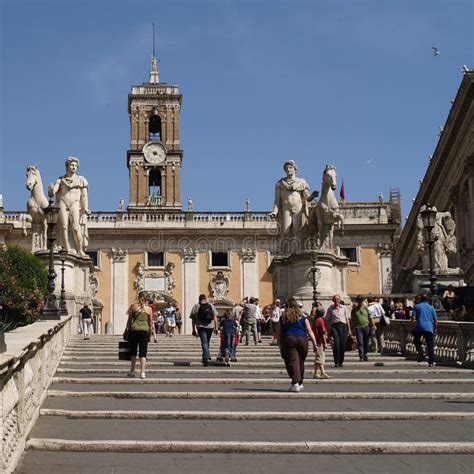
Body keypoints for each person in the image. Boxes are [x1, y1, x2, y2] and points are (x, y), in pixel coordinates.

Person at [48, 156, 89, 256]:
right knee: (64, 226)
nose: (74, 167)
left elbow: (84, 196)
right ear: (67, 166)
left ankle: (80, 250)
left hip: (75, 203)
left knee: (75, 227)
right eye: (72, 165)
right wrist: (51, 189)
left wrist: (84, 209)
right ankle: (66, 249)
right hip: (63, 202)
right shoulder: (61, 180)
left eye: (75, 165)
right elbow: (53, 192)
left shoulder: (81, 180)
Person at [277, 297, 318, 392]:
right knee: (300, 362)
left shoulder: (283, 318)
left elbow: (278, 333)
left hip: (289, 339)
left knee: (291, 362)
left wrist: (280, 343)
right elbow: (309, 331)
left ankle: (295, 383)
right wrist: (315, 343)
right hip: (302, 339)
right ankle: (300, 382)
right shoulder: (303, 317)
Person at [270, 160, 310, 235]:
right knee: (285, 232)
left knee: (297, 231)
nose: (288, 169)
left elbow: (307, 197)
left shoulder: (302, 182)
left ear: (295, 169)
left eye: (290, 167)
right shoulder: (280, 184)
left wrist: (312, 196)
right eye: (286, 168)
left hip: (298, 208)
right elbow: (277, 200)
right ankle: (286, 246)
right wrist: (275, 211)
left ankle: (298, 246)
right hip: (286, 209)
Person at [125, 291, 152, 379]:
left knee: (133, 352)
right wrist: (150, 334)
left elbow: (129, 320)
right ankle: (142, 372)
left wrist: (127, 328)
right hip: (144, 331)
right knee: (143, 353)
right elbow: (150, 323)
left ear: (138, 297)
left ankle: (132, 371)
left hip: (134, 330)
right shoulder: (149, 309)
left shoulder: (133, 306)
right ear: (146, 298)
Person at [190, 294, 219, 366]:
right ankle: (204, 357)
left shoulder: (196, 306)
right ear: (205, 299)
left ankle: (206, 356)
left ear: (199, 299)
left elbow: (193, 319)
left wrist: (193, 329)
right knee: (207, 342)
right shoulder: (211, 306)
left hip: (201, 326)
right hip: (210, 326)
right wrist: (216, 327)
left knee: (204, 342)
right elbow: (215, 317)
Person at [325, 294, 352, 368]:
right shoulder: (330, 309)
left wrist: (349, 330)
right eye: (335, 299)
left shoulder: (344, 308)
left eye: (338, 299)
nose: (337, 301)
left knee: (342, 345)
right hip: (334, 326)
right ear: (333, 300)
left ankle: (341, 361)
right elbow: (327, 320)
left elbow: (347, 319)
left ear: (340, 300)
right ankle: (336, 362)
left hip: (343, 326)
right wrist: (328, 331)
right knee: (336, 344)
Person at [411, 293, 437, 367]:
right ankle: (431, 361)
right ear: (427, 299)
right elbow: (435, 320)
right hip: (429, 327)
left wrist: (412, 327)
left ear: (420, 299)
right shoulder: (431, 307)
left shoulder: (417, 306)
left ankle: (421, 352)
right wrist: (435, 329)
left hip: (419, 326)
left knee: (416, 340)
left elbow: (413, 319)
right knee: (430, 345)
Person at [351, 296, 373, 362]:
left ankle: (365, 355)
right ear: (357, 301)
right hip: (358, 327)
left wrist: (373, 325)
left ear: (363, 301)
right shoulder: (354, 310)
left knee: (366, 342)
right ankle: (361, 356)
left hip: (366, 326)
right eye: (359, 300)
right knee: (360, 342)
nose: (360, 302)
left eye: (361, 300)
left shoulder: (366, 309)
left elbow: (370, 317)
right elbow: (352, 320)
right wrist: (352, 328)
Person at [312, 307, 330, 379]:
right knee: (321, 357)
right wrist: (325, 342)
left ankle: (316, 372)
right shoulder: (320, 320)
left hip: (316, 340)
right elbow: (322, 333)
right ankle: (322, 372)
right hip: (320, 341)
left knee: (318, 357)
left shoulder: (315, 320)